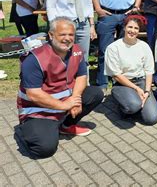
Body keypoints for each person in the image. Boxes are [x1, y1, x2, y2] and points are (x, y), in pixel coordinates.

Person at [16, 17, 103, 159]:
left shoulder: (76, 50)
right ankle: (30, 129)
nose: (67, 39)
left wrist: (76, 99)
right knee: (45, 149)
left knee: (96, 93)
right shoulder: (34, 59)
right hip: (38, 110)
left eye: (71, 35)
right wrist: (64, 105)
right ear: (51, 35)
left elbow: (82, 76)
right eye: (62, 34)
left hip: (64, 103)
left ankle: (65, 126)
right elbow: (33, 94)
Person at [105, 15, 157, 125]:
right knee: (133, 106)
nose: (132, 31)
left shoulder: (144, 46)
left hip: (141, 82)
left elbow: (149, 71)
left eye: (136, 28)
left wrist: (147, 91)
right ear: (124, 27)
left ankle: (138, 105)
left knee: (152, 119)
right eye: (130, 27)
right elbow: (116, 75)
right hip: (122, 83)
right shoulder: (113, 48)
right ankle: (125, 107)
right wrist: (136, 89)